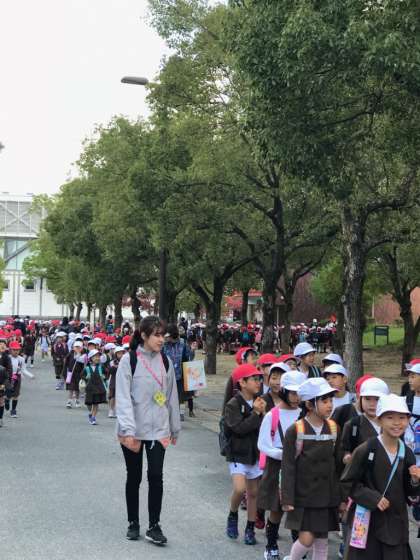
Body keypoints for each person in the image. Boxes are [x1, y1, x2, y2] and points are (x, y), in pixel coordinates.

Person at [116, 316, 180, 546]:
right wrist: (128, 429)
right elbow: (123, 398)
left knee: (156, 476)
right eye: (157, 335)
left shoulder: (165, 362)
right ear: (143, 335)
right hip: (133, 430)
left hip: (158, 430)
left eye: (163, 335)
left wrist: (174, 426)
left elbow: (171, 396)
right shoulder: (129, 360)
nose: (161, 339)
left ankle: (154, 525)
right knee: (134, 477)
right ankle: (133, 522)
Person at [341, 394, 420, 559]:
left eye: (402, 418)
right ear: (379, 420)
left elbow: (410, 493)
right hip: (367, 521)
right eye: (390, 417)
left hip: (395, 522)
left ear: (408, 420)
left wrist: (414, 481)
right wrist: (372, 498)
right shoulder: (366, 449)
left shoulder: (407, 453)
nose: (397, 423)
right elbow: (347, 483)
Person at [281, 377, 345, 560]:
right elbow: (288, 467)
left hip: (327, 495)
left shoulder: (334, 428)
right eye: (324, 401)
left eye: (331, 400)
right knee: (307, 539)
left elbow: (339, 466)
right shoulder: (296, 430)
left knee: (322, 542)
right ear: (309, 404)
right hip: (304, 496)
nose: (330, 405)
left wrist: (342, 497)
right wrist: (287, 498)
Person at [257, 371, 306, 560]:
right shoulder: (273, 415)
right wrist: (282, 454)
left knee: (297, 509)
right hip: (277, 466)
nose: (296, 397)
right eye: (292, 393)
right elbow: (262, 444)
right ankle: (271, 545)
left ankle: (297, 550)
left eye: (299, 393)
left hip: (299, 467)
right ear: (283, 391)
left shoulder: (304, 414)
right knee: (276, 508)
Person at [224, 363, 267, 546]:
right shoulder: (233, 404)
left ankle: (250, 527)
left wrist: (262, 414)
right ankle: (233, 514)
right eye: (254, 379)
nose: (258, 382)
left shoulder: (261, 401)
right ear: (242, 382)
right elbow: (239, 429)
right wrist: (255, 413)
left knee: (253, 493)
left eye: (259, 379)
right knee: (240, 489)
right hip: (237, 453)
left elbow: (264, 427)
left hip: (254, 453)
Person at [163, 324, 193, 421]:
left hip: (180, 375)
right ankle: (164, 411)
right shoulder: (164, 343)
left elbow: (189, 357)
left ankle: (181, 414)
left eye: (170, 337)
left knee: (180, 396)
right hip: (166, 374)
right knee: (165, 394)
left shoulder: (183, 343)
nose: (169, 339)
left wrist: (192, 350)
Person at [5, 340, 35, 417]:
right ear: (10, 350)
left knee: (16, 395)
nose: (16, 351)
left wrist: (30, 375)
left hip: (17, 378)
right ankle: (7, 400)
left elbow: (23, 369)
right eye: (14, 350)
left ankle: (13, 410)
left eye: (17, 350)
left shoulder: (21, 359)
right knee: (8, 393)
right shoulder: (7, 358)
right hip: (8, 377)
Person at [82, 349, 107, 425]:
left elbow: (107, 373)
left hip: (98, 388)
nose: (97, 358)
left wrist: (104, 376)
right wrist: (86, 377)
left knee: (96, 404)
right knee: (89, 403)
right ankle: (91, 413)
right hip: (90, 388)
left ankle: (93, 417)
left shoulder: (101, 367)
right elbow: (82, 375)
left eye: (98, 356)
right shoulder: (87, 368)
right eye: (95, 356)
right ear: (91, 358)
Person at [63, 340, 86, 409]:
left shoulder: (83, 355)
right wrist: (65, 373)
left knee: (77, 388)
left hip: (78, 374)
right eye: (76, 347)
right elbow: (66, 363)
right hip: (70, 373)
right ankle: (69, 401)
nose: (77, 349)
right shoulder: (70, 354)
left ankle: (77, 400)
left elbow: (84, 366)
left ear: (82, 348)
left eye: (79, 347)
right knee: (71, 388)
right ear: (73, 347)